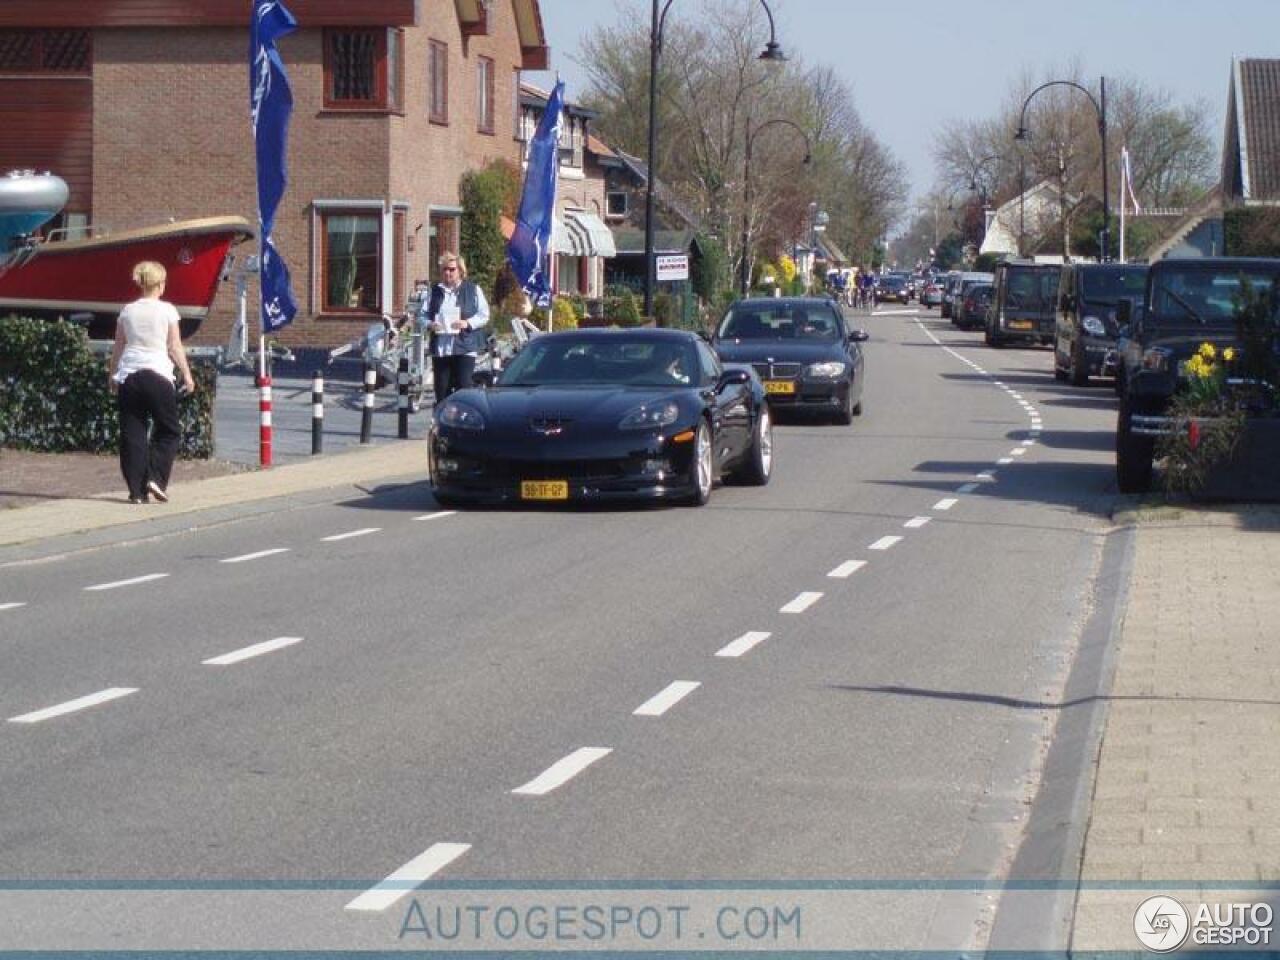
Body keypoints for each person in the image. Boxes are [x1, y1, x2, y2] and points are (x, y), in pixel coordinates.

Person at [107, 260, 195, 504]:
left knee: (132, 433)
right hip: (157, 374)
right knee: (169, 430)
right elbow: (174, 346)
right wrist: (187, 374)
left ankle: (136, 492)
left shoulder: (127, 311)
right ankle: (155, 477)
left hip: (130, 376)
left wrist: (113, 375)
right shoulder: (167, 310)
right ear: (160, 284)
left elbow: (119, 346)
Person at [418, 252, 490, 403]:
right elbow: (422, 315)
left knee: (463, 388)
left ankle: (463, 423)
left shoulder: (473, 290)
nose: (447, 273)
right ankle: (441, 423)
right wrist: (430, 324)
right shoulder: (433, 292)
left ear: (460, 271)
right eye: (444, 269)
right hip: (441, 349)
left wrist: (467, 323)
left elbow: (484, 314)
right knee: (441, 390)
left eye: (452, 269)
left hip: (464, 346)